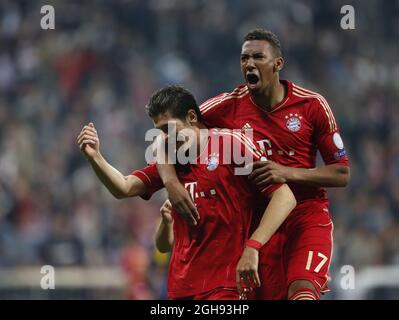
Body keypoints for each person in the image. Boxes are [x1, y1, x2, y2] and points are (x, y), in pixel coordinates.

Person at [157, 29, 350, 300]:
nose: (249, 63)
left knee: (302, 292)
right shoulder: (225, 107)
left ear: (277, 64)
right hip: (259, 224)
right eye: (244, 58)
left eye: (258, 57)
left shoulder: (312, 106)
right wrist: (171, 183)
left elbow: (341, 173)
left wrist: (286, 172)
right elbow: (167, 136)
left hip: (306, 217)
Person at [77, 85, 296, 300]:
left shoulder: (231, 145)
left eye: (169, 128)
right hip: (181, 287)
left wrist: (253, 247)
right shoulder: (171, 160)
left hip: (227, 285)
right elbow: (124, 187)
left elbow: (284, 197)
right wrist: (95, 157)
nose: (166, 137)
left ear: (192, 117)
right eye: (160, 131)